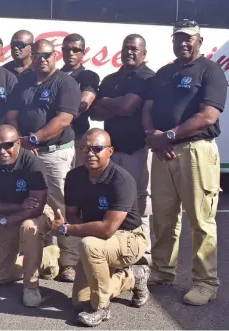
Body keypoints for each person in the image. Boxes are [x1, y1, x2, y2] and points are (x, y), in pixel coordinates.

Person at [143, 19, 227, 306]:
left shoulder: (210, 71)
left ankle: (206, 282)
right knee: (163, 218)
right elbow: (148, 108)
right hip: (164, 152)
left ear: (199, 40)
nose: (183, 42)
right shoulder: (165, 73)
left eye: (189, 38)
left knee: (201, 221)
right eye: (178, 38)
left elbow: (209, 116)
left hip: (196, 152)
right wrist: (151, 136)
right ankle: (163, 272)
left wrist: (168, 134)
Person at [50, 129, 150, 327]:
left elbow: (107, 229)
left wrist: (66, 229)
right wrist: (66, 223)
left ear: (110, 151)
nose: (90, 153)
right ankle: (132, 277)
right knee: (79, 302)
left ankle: (101, 308)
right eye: (84, 148)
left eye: (97, 148)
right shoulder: (74, 177)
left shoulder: (121, 180)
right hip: (97, 239)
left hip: (128, 238)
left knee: (89, 245)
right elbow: (71, 214)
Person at [7, 39, 81, 283]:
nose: (42, 59)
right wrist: (20, 141)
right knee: (29, 202)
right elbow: (12, 114)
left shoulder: (66, 83)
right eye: (38, 55)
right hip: (26, 152)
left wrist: (33, 140)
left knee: (62, 204)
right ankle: (40, 257)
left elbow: (63, 120)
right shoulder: (25, 81)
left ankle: (69, 260)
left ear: (55, 56)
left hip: (54, 153)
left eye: (47, 55)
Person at [90, 34, 155, 267]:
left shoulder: (146, 77)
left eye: (135, 49)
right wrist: (115, 103)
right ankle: (113, 247)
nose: (130, 52)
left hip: (135, 150)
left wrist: (107, 101)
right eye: (126, 48)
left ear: (143, 54)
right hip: (110, 152)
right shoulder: (111, 78)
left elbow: (128, 107)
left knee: (138, 200)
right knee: (110, 199)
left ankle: (142, 253)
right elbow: (94, 113)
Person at [0, 125, 53, 307]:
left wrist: (1, 221)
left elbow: (36, 208)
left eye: (8, 145)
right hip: (11, 211)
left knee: (29, 226)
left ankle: (31, 286)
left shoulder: (33, 164)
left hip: (37, 213)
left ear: (19, 143)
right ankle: (46, 259)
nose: (2, 151)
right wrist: (18, 206)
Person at [60, 33, 100, 167]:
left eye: (76, 50)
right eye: (66, 49)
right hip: (53, 140)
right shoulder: (54, 75)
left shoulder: (88, 76)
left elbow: (83, 104)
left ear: (83, 53)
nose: (71, 53)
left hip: (77, 138)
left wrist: (60, 121)